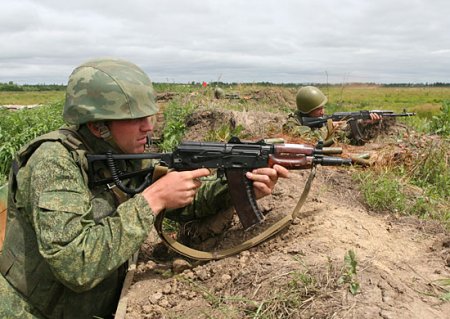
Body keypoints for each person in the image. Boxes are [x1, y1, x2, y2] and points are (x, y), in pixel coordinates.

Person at [0, 58, 288, 319]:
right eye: (136, 119)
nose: (149, 128)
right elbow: (77, 264)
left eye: (149, 116)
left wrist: (238, 189)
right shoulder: (52, 162)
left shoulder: (122, 153)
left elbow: (185, 202)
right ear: (99, 126)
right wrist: (152, 199)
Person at [283, 86, 382, 145]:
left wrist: (364, 124)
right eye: (318, 109)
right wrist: (329, 128)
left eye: (323, 107)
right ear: (307, 109)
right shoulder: (292, 124)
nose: (323, 112)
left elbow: (348, 139)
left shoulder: (319, 121)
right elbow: (307, 138)